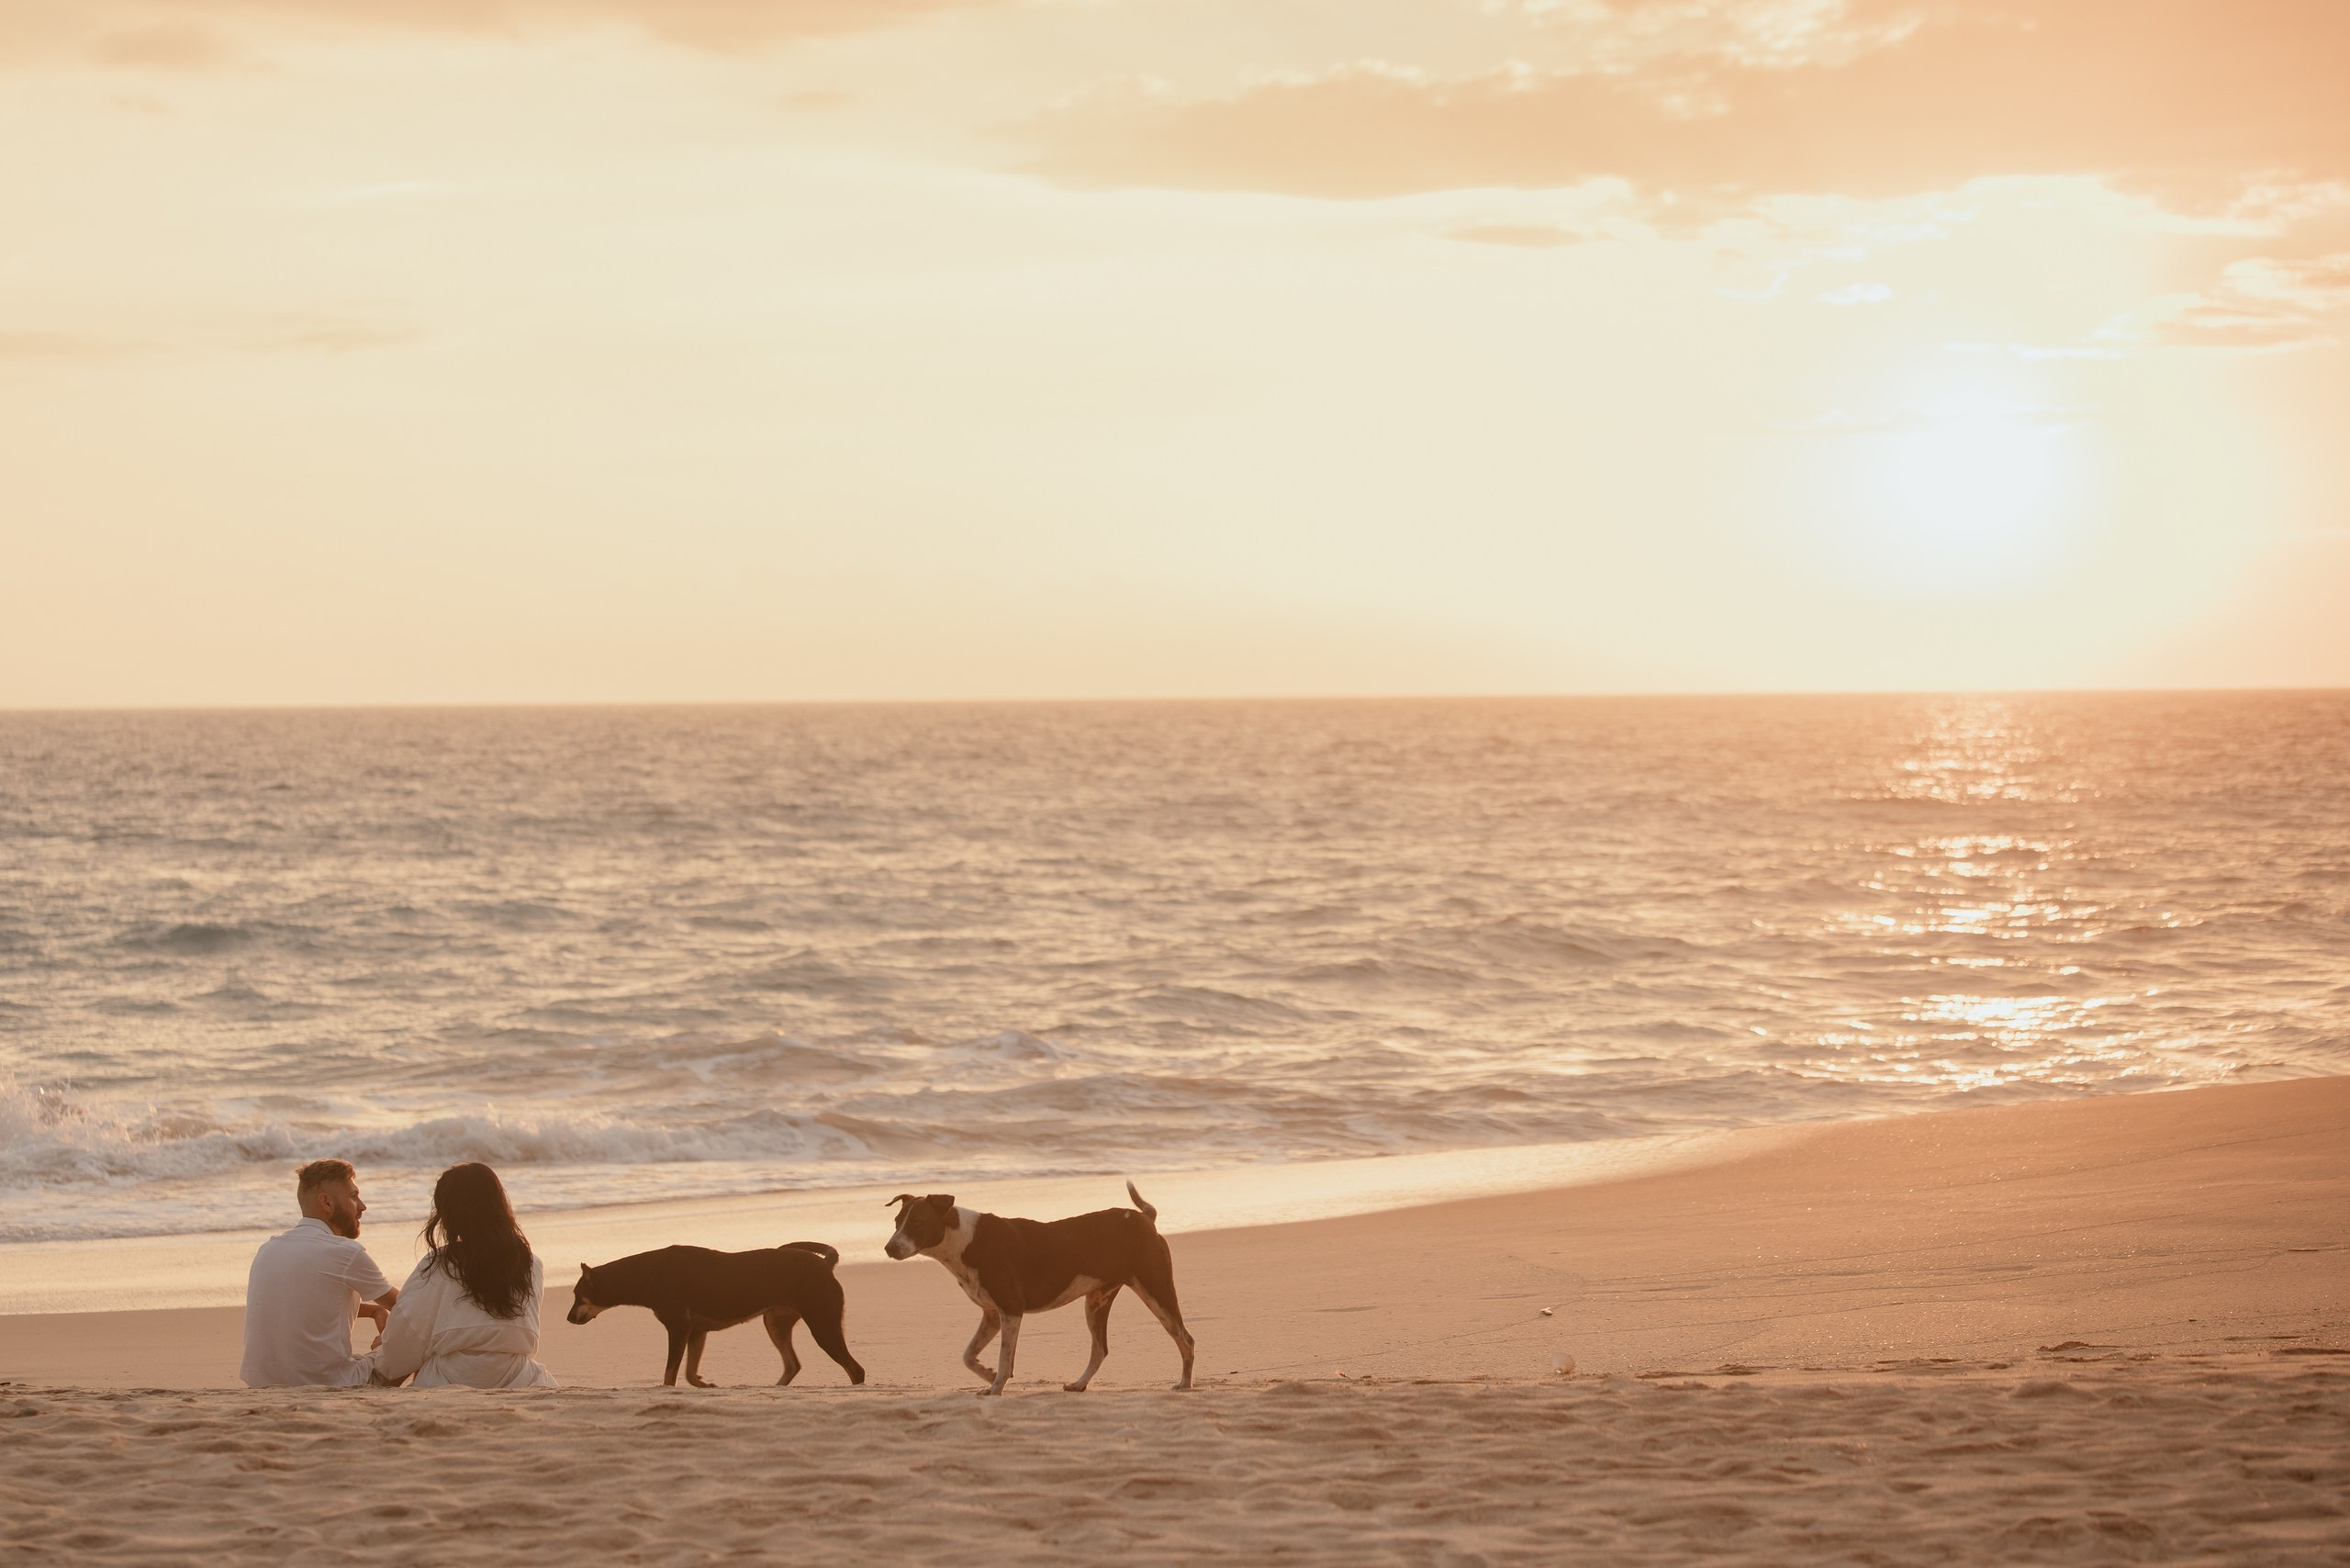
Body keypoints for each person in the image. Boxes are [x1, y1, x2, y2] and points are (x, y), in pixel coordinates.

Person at [373, 1162, 557, 1389]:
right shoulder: (530, 1263)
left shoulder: (438, 1264)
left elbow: (408, 1334)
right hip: (519, 1378)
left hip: (449, 1378)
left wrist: (385, 1349)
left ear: (449, 1214)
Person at [241, 1158, 400, 1388]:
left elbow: (303, 1303)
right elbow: (410, 1307)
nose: (363, 1206)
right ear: (326, 1202)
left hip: (261, 1384)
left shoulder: (268, 1249)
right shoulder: (346, 1252)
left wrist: (375, 1311)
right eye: (353, 1197)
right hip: (328, 1384)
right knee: (419, 1337)